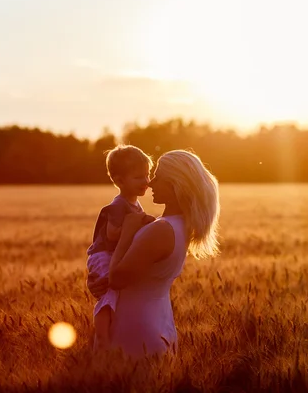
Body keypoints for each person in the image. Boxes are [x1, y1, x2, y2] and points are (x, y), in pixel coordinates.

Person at [87, 149, 220, 358]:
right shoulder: (178, 225)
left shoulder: (162, 230)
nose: (151, 183)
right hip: (157, 324)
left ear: (176, 184)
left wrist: (128, 231)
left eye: (158, 177)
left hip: (135, 332)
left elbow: (117, 278)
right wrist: (97, 281)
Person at [86, 144, 155, 350]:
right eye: (138, 177)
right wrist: (139, 224)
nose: (146, 182)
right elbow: (112, 234)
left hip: (113, 254)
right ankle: (101, 337)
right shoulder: (118, 205)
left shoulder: (134, 204)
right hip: (103, 255)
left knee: (117, 295)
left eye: (147, 175)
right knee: (108, 293)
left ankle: (113, 333)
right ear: (118, 180)